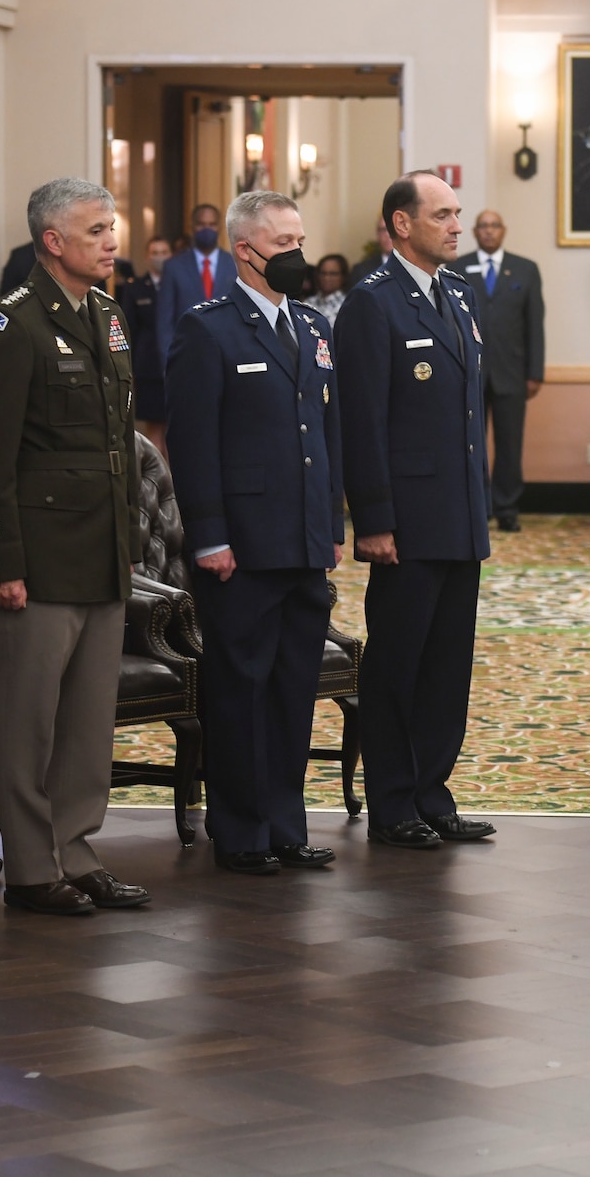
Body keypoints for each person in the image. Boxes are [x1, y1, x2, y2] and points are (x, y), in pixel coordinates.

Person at [0, 177, 151, 918]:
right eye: (96, 230)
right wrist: (0, 562)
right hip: (37, 562)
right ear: (52, 242)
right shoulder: (11, 328)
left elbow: (116, 447)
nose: (111, 241)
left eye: (111, 227)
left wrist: (127, 542)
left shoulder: (106, 314)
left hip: (100, 555)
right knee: (27, 723)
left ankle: (78, 851)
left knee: (85, 724)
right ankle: (33, 870)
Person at [165, 191, 344, 875]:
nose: (299, 254)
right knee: (239, 689)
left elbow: (326, 435)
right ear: (246, 250)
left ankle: (285, 824)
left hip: (302, 542)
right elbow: (194, 442)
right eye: (285, 244)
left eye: (302, 239)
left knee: (293, 688)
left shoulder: (312, 327)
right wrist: (208, 536)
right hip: (239, 546)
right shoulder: (208, 330)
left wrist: (331, 524)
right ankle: (240, 830)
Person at [335, 171, 495, 850]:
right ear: (402, 224)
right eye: (442, 215)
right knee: (398, 666)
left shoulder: (459, 294)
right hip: (404, 521)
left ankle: (433, 793)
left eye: (458, 214)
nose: (457, 225)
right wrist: (373, 518)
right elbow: (362, 420)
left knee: (446, 666)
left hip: (458, 514)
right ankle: (393, 801)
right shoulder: (373, 304)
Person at [451, 210, 545, 532]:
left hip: (512, 372)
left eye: (494, 226)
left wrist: (536, 371)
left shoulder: (525, 269)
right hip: (468, 371)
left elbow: (535, 324)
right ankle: (477, 506)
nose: (489, 232)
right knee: (470, 442)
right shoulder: (456, 268)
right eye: (483, 227)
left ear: (503, 231)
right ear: (475, 232)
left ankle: (507, 508)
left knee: (509, 444)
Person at [155, 202, 237, 372]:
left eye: (212, 224)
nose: (206, 229)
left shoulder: (234, 265)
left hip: (228, 359)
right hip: (186, 359)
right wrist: (168, 363)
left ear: (220, 227)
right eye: (201, 224)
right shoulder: (173, 266)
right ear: (192, 227)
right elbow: (164, 321)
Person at [121, 234, 172, 441]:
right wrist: (129, 366)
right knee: (155, 426)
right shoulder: (136, 287)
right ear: (147, 256)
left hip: (176, 363)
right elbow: (128, 329)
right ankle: (158, 472)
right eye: (155, 253)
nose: (159, 257)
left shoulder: (180, 283)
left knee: (176, 425)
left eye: (164, 253)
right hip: (148, 365)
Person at [306, 253, 351, 325]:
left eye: (333, 274)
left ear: (343, 276)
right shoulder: (307, 304)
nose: (327, 278)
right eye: (323, 273)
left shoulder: (348, 306)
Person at [347, 216, 392, 286]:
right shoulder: (361, 270)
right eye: (383, 230)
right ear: (377, 235)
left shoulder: (413, 266)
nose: (388, 234)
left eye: (392, 229)